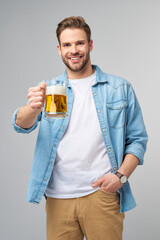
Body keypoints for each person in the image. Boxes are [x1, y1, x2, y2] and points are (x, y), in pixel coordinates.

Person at [12, 16, 148, 240]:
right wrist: (33, 107)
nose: (73, 50)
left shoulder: (118, 88)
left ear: (90, 44)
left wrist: (120, 178)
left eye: (79, 43)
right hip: (58, 198)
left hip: (101, 194)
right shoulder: (53, 89)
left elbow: (138, 140)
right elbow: (21, 125)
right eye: (67, 45)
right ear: (59, 49)